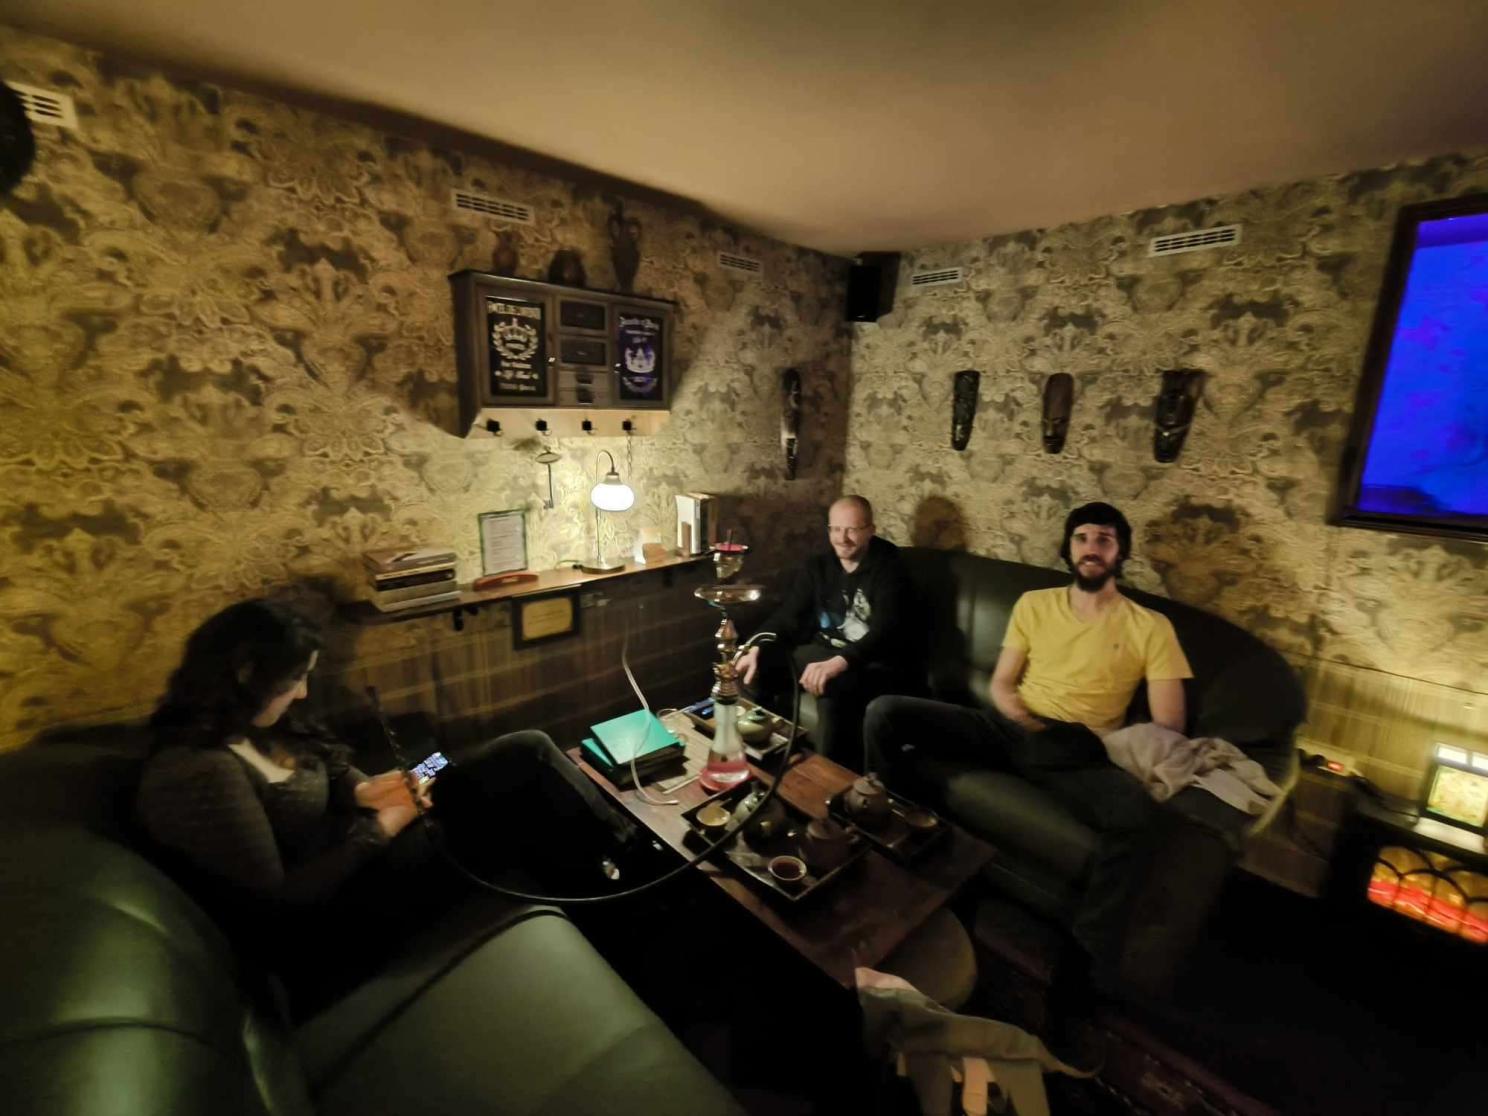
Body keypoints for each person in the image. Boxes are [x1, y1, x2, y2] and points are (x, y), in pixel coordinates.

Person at [135, 598, 638, 1013]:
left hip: (368, 829)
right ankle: (627, 879)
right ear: (246, 673)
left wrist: (364, 788)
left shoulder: (254, 720)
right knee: (516, 799)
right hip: (344, 904)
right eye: (294, 679)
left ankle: (622, 859)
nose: (303, 692)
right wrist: (386, 824)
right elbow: (280, 902)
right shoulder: (199, 771)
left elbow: (323, 768)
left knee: (503, 752)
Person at [863, 502, 1193, 992]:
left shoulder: (1150, 626)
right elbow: (1002, 684)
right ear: (1068, 548)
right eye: (1082, 538)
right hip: (1012, 726)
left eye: (1104, 539)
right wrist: (1024, 721)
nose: (1091, 548)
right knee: (885, 712)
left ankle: (1082, 968)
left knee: (1137, 817)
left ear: (1121, 552)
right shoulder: (1035, 604)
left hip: (1080, 750)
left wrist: (1093, 741)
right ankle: (888, 851)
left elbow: (1169, 725)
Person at [735, 495, 915, 764]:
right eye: (836, 529)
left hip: (872, 662)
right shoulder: (818, 567)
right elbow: (788, 615)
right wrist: (757, 646)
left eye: (852, 530)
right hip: (822, 652)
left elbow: (886, 631)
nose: (843, 538)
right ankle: (768, 755)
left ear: (870, 530)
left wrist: (839, 662)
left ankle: (828, 778)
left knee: (831, 688)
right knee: (752, 668)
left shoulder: (891, 568)